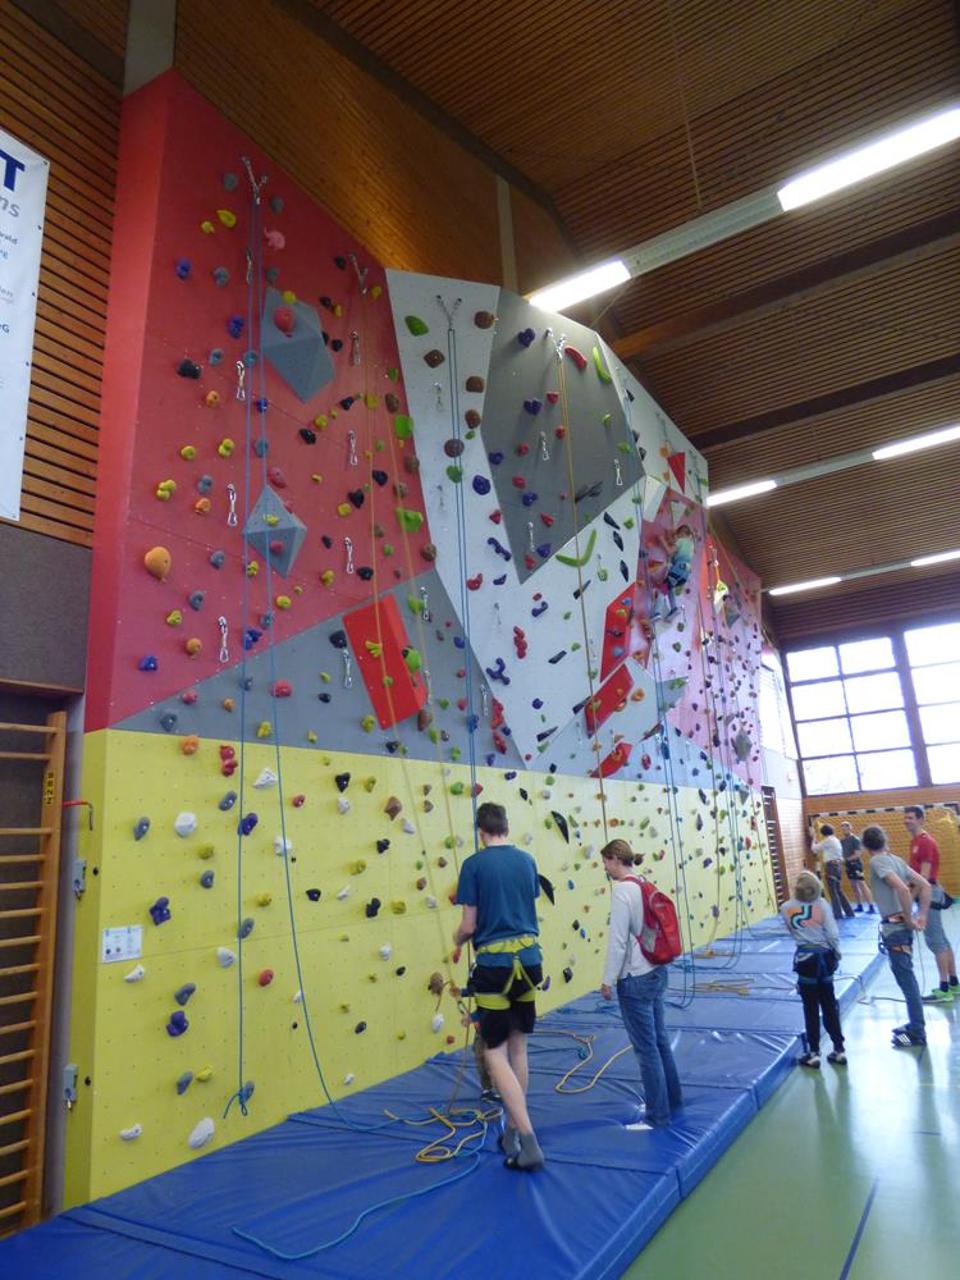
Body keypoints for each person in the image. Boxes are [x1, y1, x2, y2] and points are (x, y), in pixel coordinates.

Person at [453, 802, 545, 1171]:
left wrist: (457, 940)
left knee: (495, 1053)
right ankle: (511, 1132)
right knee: (518, 1048)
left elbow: (470, 925)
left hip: (495, 966)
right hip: (530, 961)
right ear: (506, 827)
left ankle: (528, 1140)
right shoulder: (526, 861)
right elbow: (524, 904)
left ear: (481, 832)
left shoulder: (474, 865)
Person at [599, 839, 683, 1129]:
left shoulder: (623, 891)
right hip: (657, 970)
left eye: (606, 862)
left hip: (636, 977)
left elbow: (618, 941)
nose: (605, 868)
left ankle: (658, 1115)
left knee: (646, 1049)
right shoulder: (644, 882)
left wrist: (607, 980)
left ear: (615, 859)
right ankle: (673, 1100)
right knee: (660, 1040)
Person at [863, 824, 932, 1048]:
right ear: (884, 840)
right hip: (900, 928)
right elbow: (924, 885)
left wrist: (910, 919)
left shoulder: (877, 861)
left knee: (906, 980)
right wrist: (920, 915)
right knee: (906, 977)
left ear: (866, 846)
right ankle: (915, 1025)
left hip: (896, 930)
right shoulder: (897, 860)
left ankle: (917, 1030)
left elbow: (903, 889)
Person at [781, 871, 845, 1068]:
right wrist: (837, 953)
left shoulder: (786, 907)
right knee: (829, 1005)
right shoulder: (822, 905)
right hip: (824, 958)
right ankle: (839, 1049)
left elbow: (793, 931)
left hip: (805, 959)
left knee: (810, 1008)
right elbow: (832, 934)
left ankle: (814, 1051)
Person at [904, 805, 959, 1002]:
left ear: (921, 819)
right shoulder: (915, 842)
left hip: (928, 894)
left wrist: (909, 898)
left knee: (936, 941)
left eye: (911, 818)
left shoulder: (925, 842)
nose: (906, 821)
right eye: (906, 817)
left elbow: (925, 878)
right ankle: (954, 983)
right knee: (941, 939)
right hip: (928, 892)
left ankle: (944, 988)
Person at [811, 823, 855, 920]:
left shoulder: (828, 841)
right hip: (837, 866)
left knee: (833, 891)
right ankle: (849, 912)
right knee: (838, 890)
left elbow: (814, 849)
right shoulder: (835, 840)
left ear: (823, 833)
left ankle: (838, 914)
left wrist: (813, 838)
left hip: (831, 866)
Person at [839, 821, 875, 913]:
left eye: (846, 827)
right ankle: (859, 905)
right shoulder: (842, 841)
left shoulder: (855, 839)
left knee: (862, 884)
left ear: (850, 828)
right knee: (854, 886)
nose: (844, 829)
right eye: (843, 828)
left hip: (856, 865)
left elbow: (857, 854)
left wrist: (846, 860)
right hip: (848, 865)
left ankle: (871, 906)